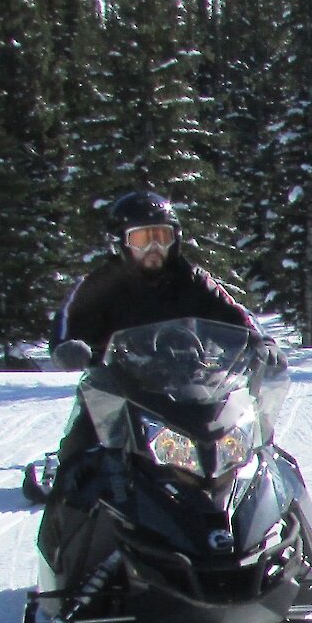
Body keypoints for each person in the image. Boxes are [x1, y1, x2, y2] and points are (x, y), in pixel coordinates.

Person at [45, 191, 257, 488]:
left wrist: (258, 341)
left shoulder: (192, 279)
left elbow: (234, 315)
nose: (155, 248)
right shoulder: (101, 284)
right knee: (82, 450)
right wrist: (68, 347)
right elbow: (68, 321)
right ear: (121, 243)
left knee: (237, 435)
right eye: (143, 240)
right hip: (119, 385)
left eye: (162, 237)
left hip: (190, 380)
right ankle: (67, 499)